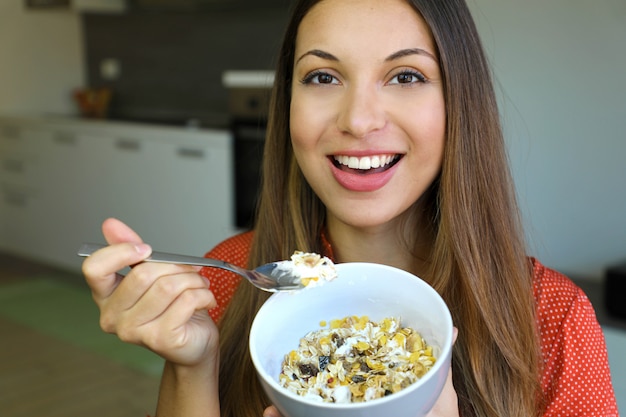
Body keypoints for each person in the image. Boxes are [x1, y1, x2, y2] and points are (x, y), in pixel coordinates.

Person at [81, 0, 619, 416]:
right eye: (323, 76)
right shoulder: (231, 279)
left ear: (459, 102)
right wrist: (191, 366)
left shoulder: (552, 317)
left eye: (406, 76)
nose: (359, 120)